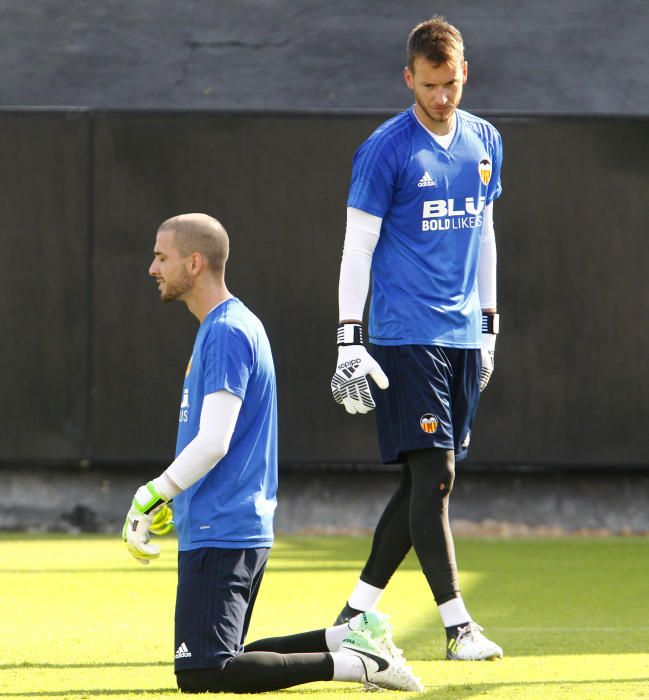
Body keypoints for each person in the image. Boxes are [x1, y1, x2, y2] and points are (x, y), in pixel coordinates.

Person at [122, 213, 423, 693]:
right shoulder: (228, 326)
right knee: (224, 658)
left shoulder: (225, 331)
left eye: (161, 257)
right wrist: (178, 500)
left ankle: (358, 665)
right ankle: (347, 637)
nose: (152, 268)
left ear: (194, 262)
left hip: (221, 526)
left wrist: (152, 493)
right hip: (223, 522)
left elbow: (215, 440)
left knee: (204, 674)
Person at [330, 17, 504, 661]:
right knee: (435, 477)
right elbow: (358, 246)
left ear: (465, 75)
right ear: (409, 77)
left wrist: (489, 324)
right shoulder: (384, 149)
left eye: (451, 84)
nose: (441, 97)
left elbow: (484, 232)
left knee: (422, 485)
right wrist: (350, 339)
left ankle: (354, 615)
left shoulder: (485, 140)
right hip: (404, 335)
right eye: (430, 85)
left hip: (462, 335)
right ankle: (458, 627)